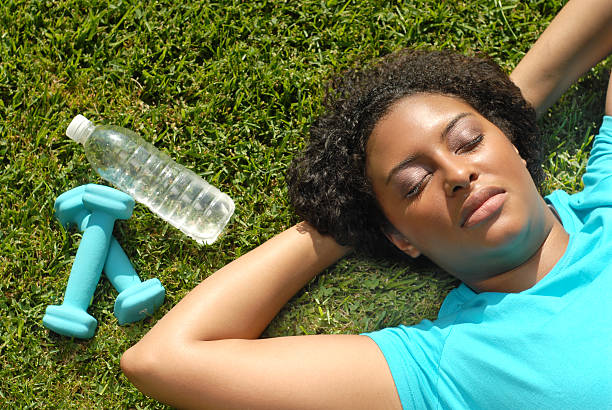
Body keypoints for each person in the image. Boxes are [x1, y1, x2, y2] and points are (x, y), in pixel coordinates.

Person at [120, 1, 612, 408]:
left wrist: (505, 111)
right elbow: (164, 359)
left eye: (466, 141)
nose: (458, 176)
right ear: (401, 238)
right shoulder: (448, 364)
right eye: (415, 184)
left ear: (517, 146)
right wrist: (346, 221)